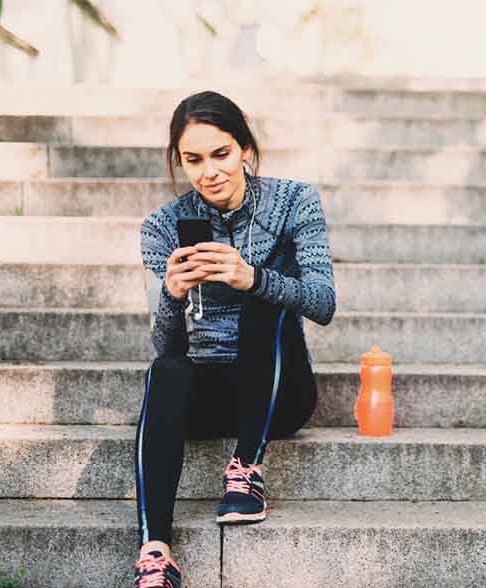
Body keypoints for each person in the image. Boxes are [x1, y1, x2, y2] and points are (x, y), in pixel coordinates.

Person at [130, 90, 336, 587]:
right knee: (166, 371)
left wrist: (252, 278)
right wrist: (172, 294)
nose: (209, 172)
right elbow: (166, 348)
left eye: (220, 153)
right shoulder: (161, 227)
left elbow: (323, 303)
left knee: (265, 297)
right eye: (193, 160)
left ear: (244, 148)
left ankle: (247, 466)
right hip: (207, 392)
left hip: (279, 393)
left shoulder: (295, 202)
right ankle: (155, 550)